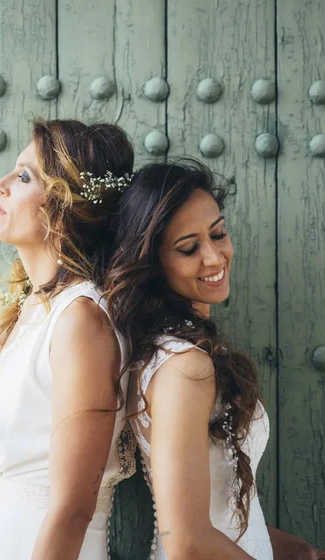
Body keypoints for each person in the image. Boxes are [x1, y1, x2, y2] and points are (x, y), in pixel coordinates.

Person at [0, 118, 137, 560]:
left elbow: (73, 506)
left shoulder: (81, 320)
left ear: (64, 204)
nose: (0, 184)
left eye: (23, 177)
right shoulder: (37, 309)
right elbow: (11, 456)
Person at [104, 160, 325, 560]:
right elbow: (186, 541)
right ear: (152, 264)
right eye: (188, 248)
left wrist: (298, 550)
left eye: (218, 233)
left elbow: (220, 514)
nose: (214, 257)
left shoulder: (176, 354)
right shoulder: (184, 367)